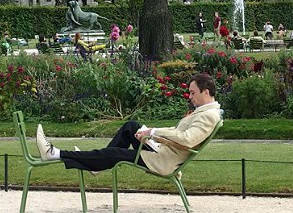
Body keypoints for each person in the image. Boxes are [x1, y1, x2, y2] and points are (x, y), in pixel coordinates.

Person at [35, 73, 222, 175]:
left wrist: (153, 132)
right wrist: (151, 134)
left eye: (192, 93)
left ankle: (54, 154)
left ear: (205, 92)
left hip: (164, 160)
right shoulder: (204, 112)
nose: (190, 97)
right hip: (162, 150)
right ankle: (96, 165)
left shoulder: (208, 116)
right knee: (131, 127)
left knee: (115, 154)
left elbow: (187, 140)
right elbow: (177, 133)